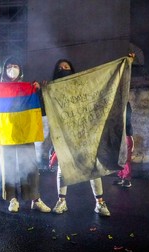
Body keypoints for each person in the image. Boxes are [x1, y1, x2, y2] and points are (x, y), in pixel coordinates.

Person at [47, 58, 111, 216]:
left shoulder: (80, 86)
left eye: (67, 66)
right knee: (63, 167)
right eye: (60, 67)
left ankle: (100, 203)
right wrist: (43, 89)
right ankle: (62, 201)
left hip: (83, 133)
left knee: (92, 167)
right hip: (64, 135)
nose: (64, 68)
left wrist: (127, 61)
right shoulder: (51, 89)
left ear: (72, 69)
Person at [0, 56, 51, 213]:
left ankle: (35, 198)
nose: (12, 69)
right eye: (9, 66)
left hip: (25, 130)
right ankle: (12, 199)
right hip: (5, 131)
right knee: (8, 166)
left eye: (15, 66)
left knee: (30, 164)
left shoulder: (27, 88)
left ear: (21, 70)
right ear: (4, 70)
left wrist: (40, 91)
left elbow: (39, 108)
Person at [113, 101, 134, 188]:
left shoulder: (126, 106)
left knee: (126, 159)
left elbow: (127, 121)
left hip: (126, 136)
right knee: (120, 158)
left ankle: (127, 179)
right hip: (120, 136)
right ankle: (121, 177)